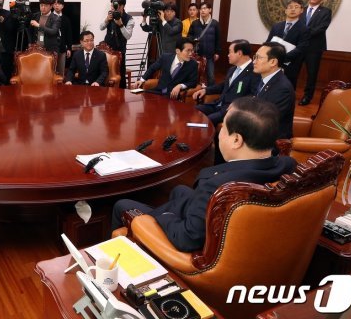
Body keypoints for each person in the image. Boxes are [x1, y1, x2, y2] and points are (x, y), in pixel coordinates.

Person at [111, 97, 297, 251]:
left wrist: (166, 216)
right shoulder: (288, 165)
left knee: (123, 204)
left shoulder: (216, 186)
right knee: (179, 190)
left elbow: (187, 238)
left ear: (236, 140)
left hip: (191, 239)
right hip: (220, 221)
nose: (219, 131)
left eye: (223, 127)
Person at [193, 39, 255, 126]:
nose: (228, 55)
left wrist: (238, 104)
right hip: (218, 104)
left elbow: (254, 94)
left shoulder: (254, 71)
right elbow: (223, 86)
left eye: (230, 52)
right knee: (193, 111)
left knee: (208, 120)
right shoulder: (232, 69)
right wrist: (206, 90)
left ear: (239, 53)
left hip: (231, 109)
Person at [296, 0, 332, 106]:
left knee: (312, 74)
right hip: (298, 46)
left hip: (314, 48)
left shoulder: (326, 11)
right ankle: (289, 93)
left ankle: (307, 96)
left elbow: (321, 28)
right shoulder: (301, 10)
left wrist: (303, 34)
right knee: (293, 71)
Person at [251, 42, 295, 140]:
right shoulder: (264, 79)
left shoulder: (282, 88)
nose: (254, 61)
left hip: (270, 141)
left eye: (259, 58)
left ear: (273, 62)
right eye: (255, 57)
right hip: (257, 131)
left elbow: (267, 119)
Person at [132, 38, 198, 99]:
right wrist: (142, 80)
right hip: (158, 91)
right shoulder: (165, 57)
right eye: (188, 51)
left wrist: (180, 86)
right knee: (138, 97)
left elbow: (193, 82)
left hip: (173, 96)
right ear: (178, 51)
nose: (191, 53)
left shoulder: (193, 64)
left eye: (192, 51)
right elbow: (152, 68)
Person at [266, 0, 309, 89]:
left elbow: (301, 48)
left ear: (301, 10)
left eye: (296, 7)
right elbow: (268, 43)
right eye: (290, 7)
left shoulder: (304, 29)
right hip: (272, 63)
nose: (293, 9)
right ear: (285, 10)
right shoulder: (276, 26)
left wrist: (282, 57)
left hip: (290, 64)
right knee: (270, 87)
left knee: (286, 89)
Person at [100, 0, 134, 89]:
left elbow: (128, 36)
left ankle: (121, 96)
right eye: (112, 6)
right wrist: (107, 19)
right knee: (105, 71)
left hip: (119, 51)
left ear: (122, 6)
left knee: (120, 74)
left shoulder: (129, 19)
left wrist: (121, 25)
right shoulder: (110, 14)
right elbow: (101, 27)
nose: (113, 8)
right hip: (107, 49)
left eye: (115, 5)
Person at [189, 1, 220, 86]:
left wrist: (217, 52)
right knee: (196, 75)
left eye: (205, 8)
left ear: (210, 10)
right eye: (201, 9)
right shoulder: (195, 23)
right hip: (197, 55)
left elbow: (218, 39)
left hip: (210, 55)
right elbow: (189, 36)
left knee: (211, 76)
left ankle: (210, 93)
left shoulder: (215, 24)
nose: (202, 10)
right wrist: (193, 39)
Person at [53, 0, 73, 75]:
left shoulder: (66, 19)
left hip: (62, 48)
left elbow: (69, 34)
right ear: (52, 6)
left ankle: (60, 86)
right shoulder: (49, 17)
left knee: (61, 70)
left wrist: (69, 48)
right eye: (55, 4)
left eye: (59, 4)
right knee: (51, 69)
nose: (57, 5)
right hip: (51, 48)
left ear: (63, 6)